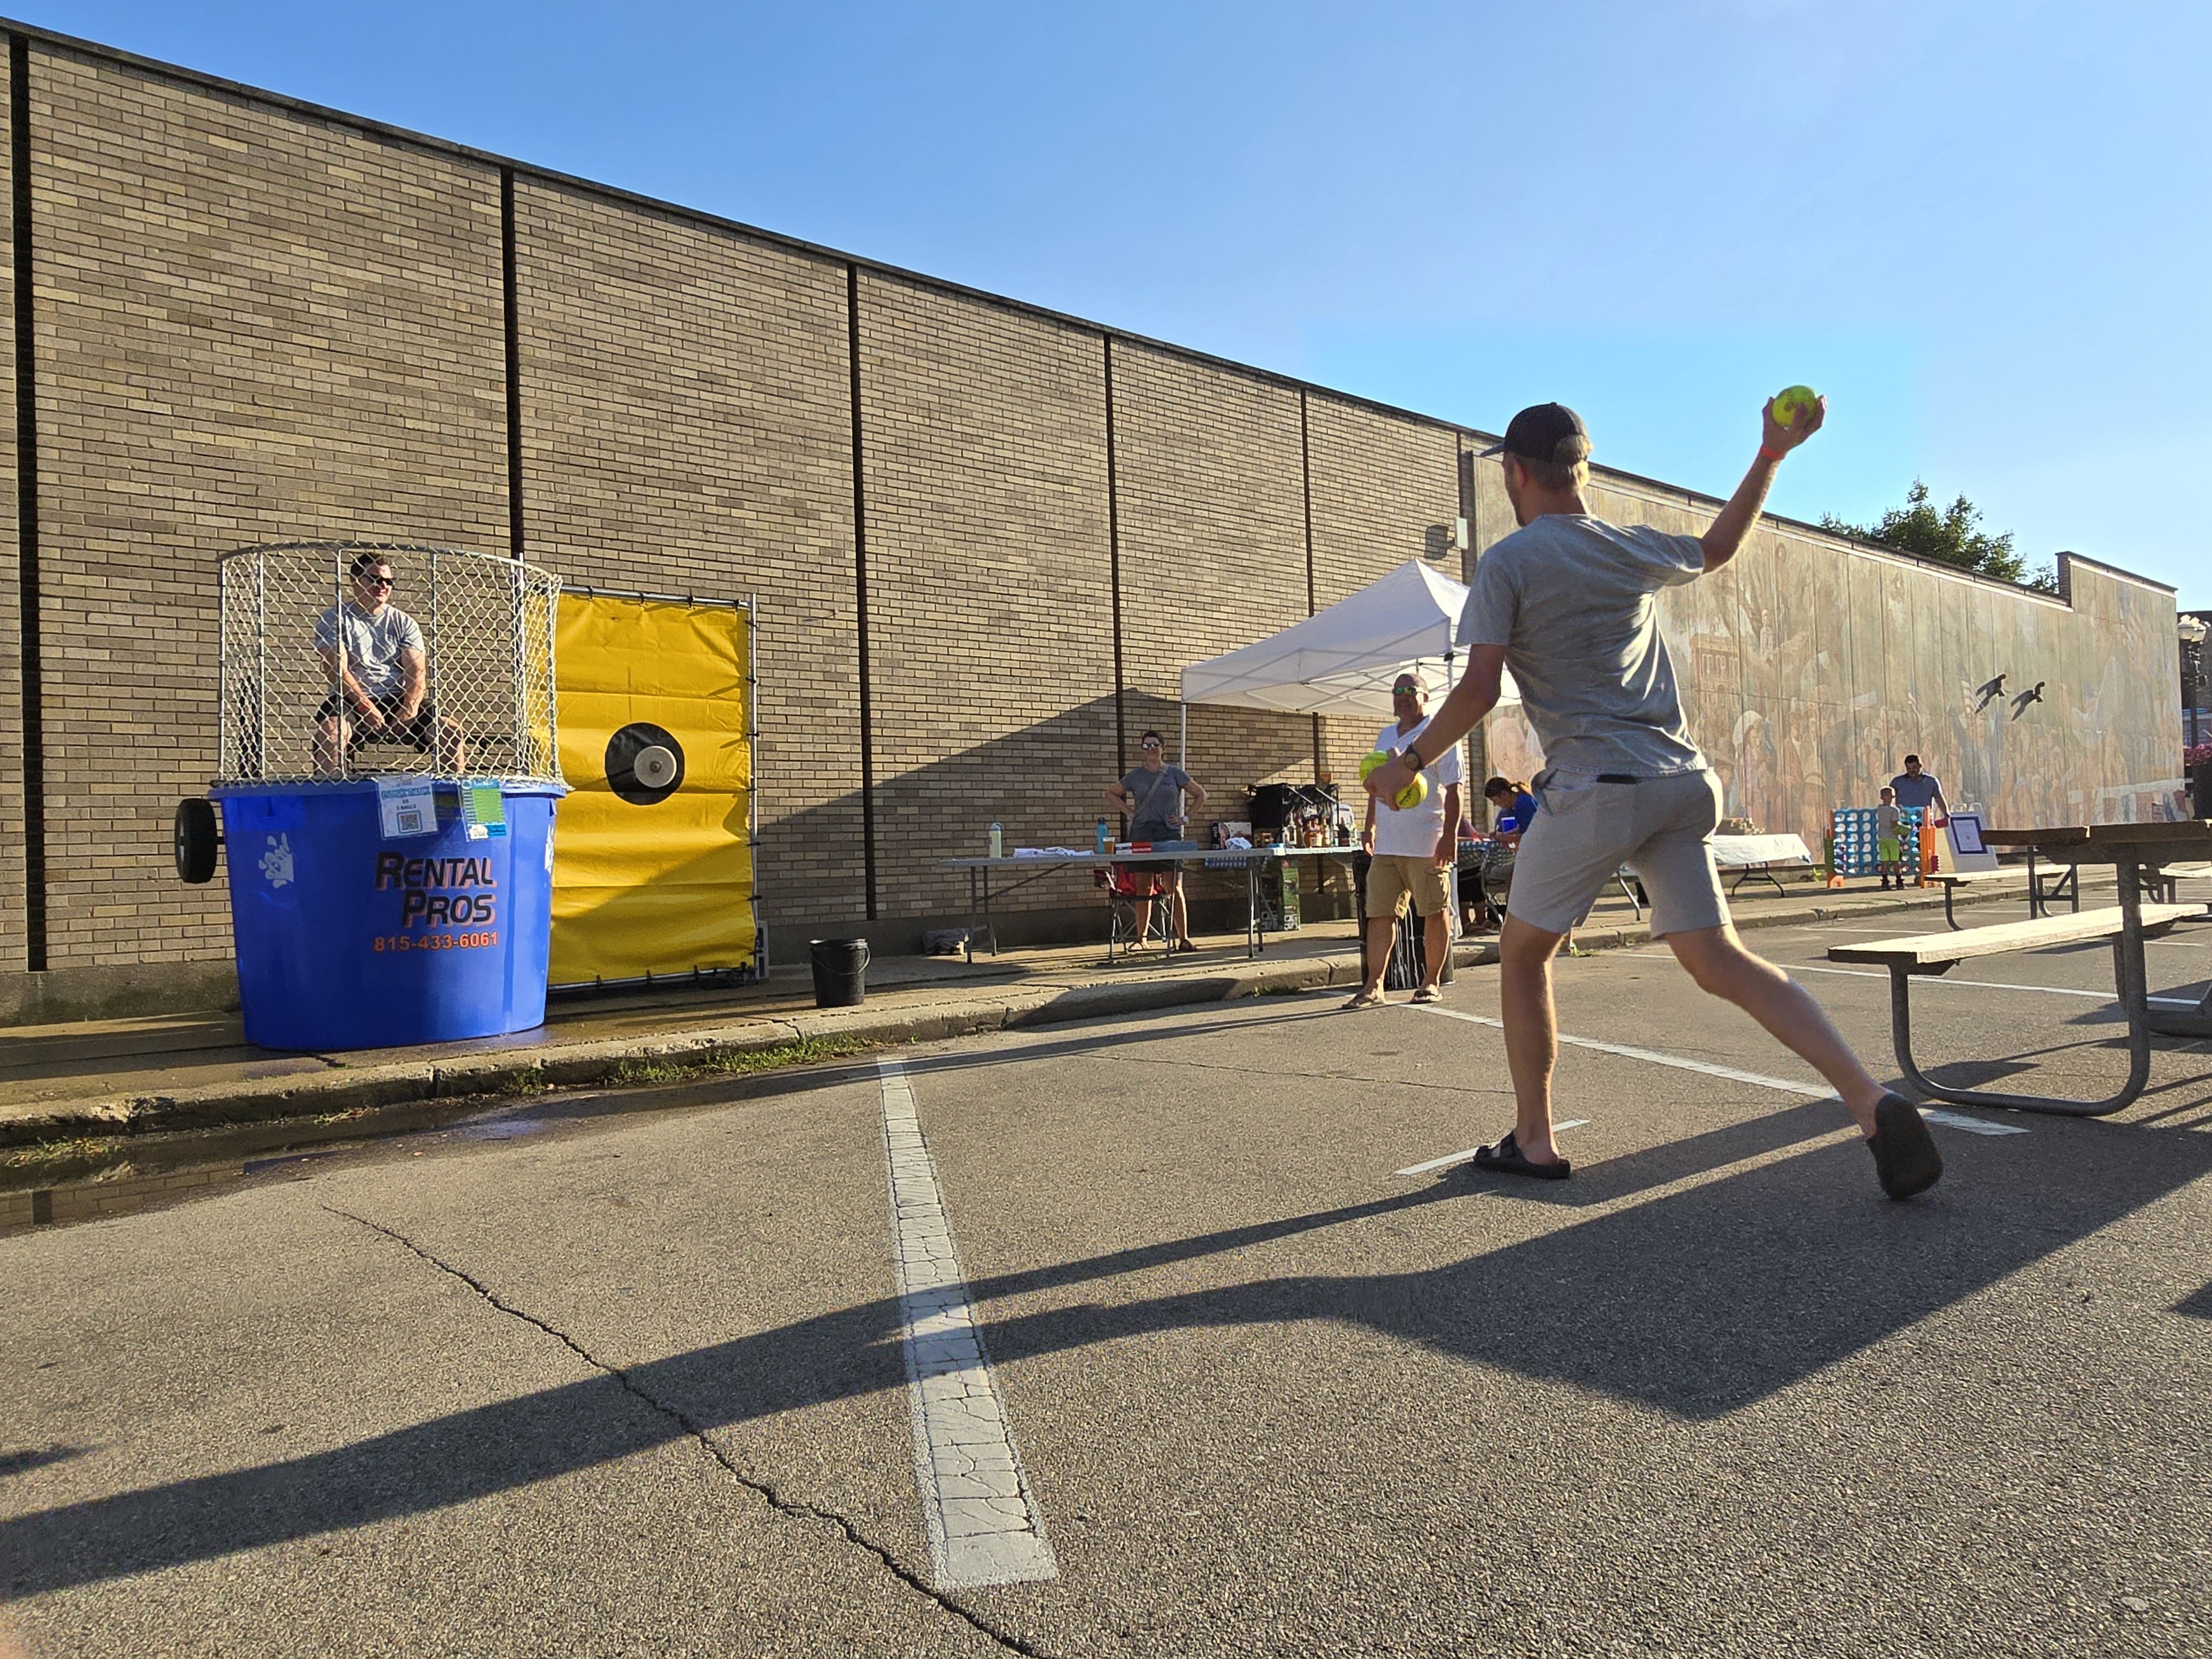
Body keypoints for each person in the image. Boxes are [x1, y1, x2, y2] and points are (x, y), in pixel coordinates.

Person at [1364, 398, 1942, 1200]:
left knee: (1525, 952)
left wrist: (1408, 761)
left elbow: (1479, 688)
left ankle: (1533, 1141)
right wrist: (1770, 453)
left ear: (1514, 474)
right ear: (1584, 471)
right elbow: (1718, 546)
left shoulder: (1509, 562)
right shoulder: (1627, 546)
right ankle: (1869, 1099)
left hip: (1598, 787)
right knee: (1719, 960)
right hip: (1679, 782)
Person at [1345, 672, 1463, 1009]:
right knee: (1379, 914)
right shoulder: (1384, 735)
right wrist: (1369, 828)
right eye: (1397, 691)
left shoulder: (1440, 735)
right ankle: (1373, 986)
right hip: (1387, 847)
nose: (1403, 696)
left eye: (1411, 690)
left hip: (1427, 843)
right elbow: (1376, 784)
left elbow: (1456, 789)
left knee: (1433, 913)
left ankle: (1431, 982)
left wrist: (1449, 837)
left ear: (1425, 696)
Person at [312, 552, 465, 774]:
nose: (382, 585)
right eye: (374, 579)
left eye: (388, 581)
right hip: (352, 698)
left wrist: (410, 710)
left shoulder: (403, 623)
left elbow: (417, 673)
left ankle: (451, 800)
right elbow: (337, 670)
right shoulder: (335, 618)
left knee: (451, 732)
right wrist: (366, 707)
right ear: (355, 581)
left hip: (396, 696)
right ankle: (330, 797)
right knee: (331, 732)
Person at [1104, 731, 1207, 952]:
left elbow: (1200, 794)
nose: (1150, 749)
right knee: (1143, 886)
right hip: (1141, 833)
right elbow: (1112, 793)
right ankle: (1142, 938)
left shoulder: (1174, 774)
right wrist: (1129, 812)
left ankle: (1184, 938)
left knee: (1173, 886)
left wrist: (1185, 818)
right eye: (1146, 746)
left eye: (1154, 745)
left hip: (1167, 833)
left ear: (1163, 747)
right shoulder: (1135, 776)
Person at [1889, 754, 1950, 823]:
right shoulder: (1897, 782)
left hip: (1925, 821)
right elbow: (1889, 799)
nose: (1912, 771)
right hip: (1904, 821)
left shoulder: (1931, 781)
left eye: (1914, 767)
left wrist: (1946, 814)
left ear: (1920, 766)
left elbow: (1939, 798)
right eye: (1909, 768)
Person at [1874, 787, 1904, 889]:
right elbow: (1894, 824)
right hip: (1893, 838)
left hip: (1882, 837)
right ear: (1893, 797)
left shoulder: (1880, 809)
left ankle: (1885, 881)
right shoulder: (1895, 810)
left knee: (1884, 860)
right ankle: (1899, 881)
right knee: (1896, 860)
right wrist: (1903, 828)